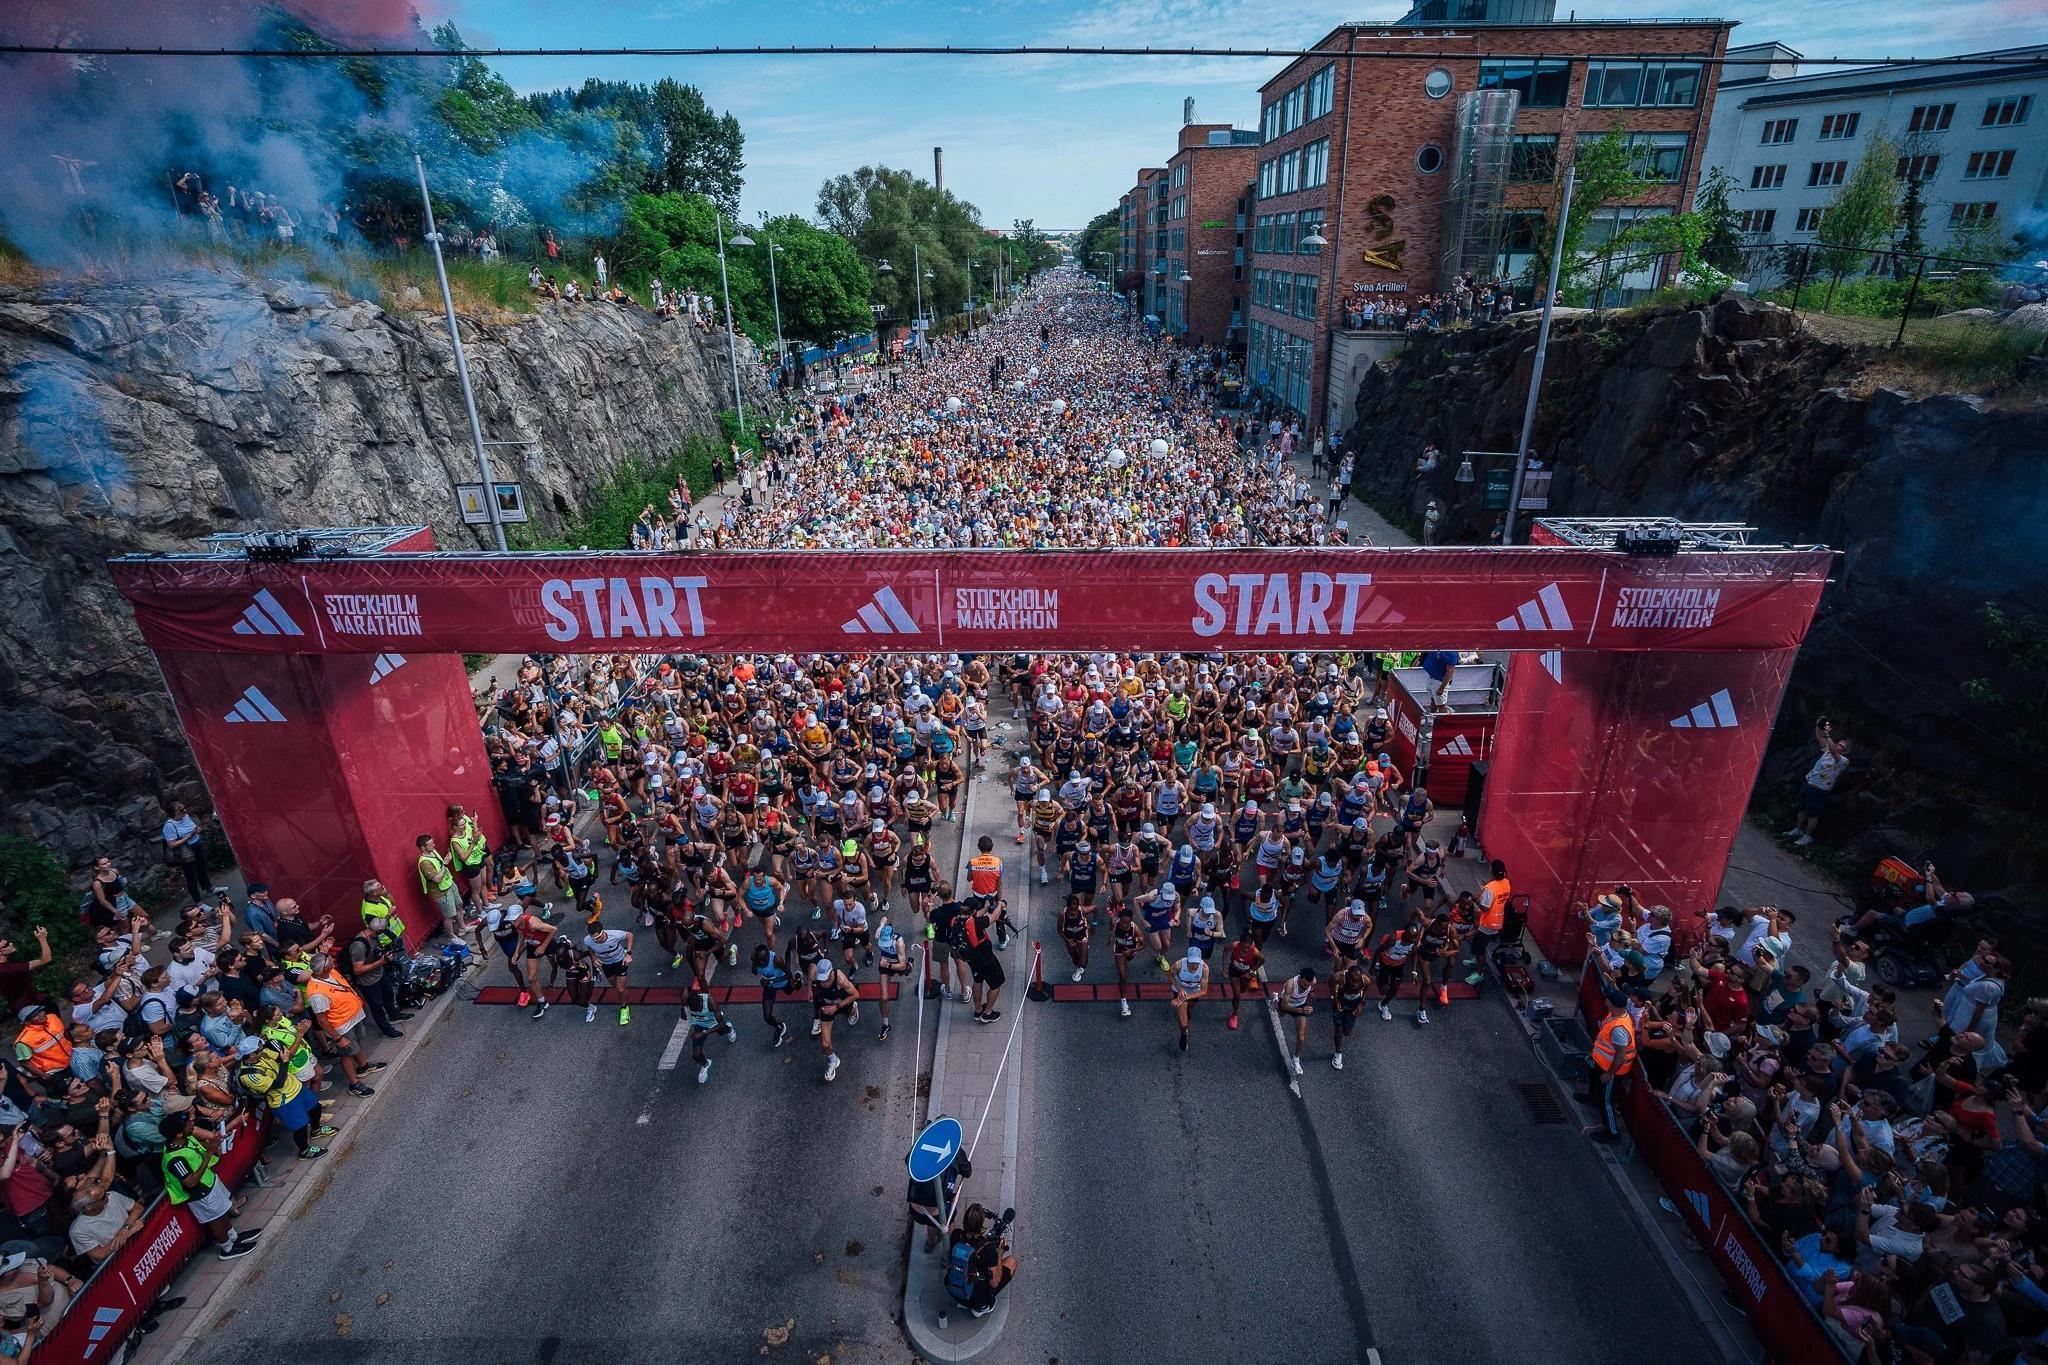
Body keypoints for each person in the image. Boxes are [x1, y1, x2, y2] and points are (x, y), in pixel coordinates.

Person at [158, 1110, 263, 1258]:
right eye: (188, 1123)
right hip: (200, 1193)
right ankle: (227, 1248)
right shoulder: (175, 1159)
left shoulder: (187, 1139)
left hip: (209, 1182)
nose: (192, 1123)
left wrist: (213, 1144)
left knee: (223, 1211)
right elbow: (191, 1182)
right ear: (179, 1134)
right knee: (216, 1219)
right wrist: (209, 1154)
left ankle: (233, 1237)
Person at [1784, 718, 1849, 847]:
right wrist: (1819, 726)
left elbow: (1832, 749)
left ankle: (1808, 836)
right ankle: (1797, 829)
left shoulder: (1843, 760)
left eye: (1842, 745)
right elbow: (1820, 738)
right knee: (1802, 808)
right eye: (1839, 743)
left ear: (1845, 750)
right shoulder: (1827, 752)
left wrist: (1828, 734)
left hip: (1820, 790)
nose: (1838, 745)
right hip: (1809, 783)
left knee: (1813, 814)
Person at [1585, 991, 1637, 1143]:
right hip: (1600, 1064)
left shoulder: (1619, 1029)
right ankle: (1591, 1099)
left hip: (1611, 1071)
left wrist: (1609, 1074)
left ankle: (1612, 1134)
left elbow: (1620, 1055)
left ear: (1610, 1003)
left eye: (1607, 998)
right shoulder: (1617, 1015)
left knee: (1606, 1101)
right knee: (1596, 1087)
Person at [812, 958, 859, 1082]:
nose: (823, 981)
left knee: (850, 1014)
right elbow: (811, 978)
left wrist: (837, 1006)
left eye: (825, 978)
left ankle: (853, 1009)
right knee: (825, 1044)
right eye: (820, 978)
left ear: (831, 972)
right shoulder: (814, 975)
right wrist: (809, 992)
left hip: (841, 1003)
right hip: (827, 1007)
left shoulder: (840, 979)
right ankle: (833, 1060)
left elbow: (855, 994)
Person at [682, 983, 738, 1084]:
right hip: (698, 1025)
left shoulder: (710, 1001)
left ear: (700, 1001)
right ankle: (706, 1064)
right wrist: (682, 1007)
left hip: (713, 1023)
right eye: (693, 1010)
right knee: (696, 1055)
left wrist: (704, 1033)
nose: (695, 1011)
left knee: (722, 1031)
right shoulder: (687, 1000)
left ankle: (729, 1028)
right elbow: (685, 988)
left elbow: (720, 1023)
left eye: (697, 1009)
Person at [582, 925, 634, 1025]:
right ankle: (623, 991)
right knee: (614, 985)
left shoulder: (614, 935)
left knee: (620, 989)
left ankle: (624, 1008)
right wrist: (593, 958)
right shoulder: (588, 940)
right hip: (606, 964)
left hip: (620, 961)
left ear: (603, 932)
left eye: (598, 937)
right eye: (593, 939)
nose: (596, 941)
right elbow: (590, 948)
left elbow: (630, 935)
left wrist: (628, 954)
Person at [161, 801, 210, 903]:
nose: (185, 811)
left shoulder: (186, 817)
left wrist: (197, 830)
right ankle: (198, 902)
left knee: (202, 868)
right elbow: (171, 844)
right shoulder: (169, 826)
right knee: (191, 875)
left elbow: (192, 827)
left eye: (185, 808)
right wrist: (188, 837)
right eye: (181, 810)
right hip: (186, 851)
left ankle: (208, 888)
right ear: (174, 813)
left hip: (196, 844)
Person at [1275, 967, 1315, 1076]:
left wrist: (1308, 1004)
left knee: (1301, 1036)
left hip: (1301, 1005)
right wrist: (1301, 1010)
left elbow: (1312, 992)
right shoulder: (1290, 985)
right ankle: (1275, 1002)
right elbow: (1284, 1006)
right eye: (1306, 984)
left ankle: (1296, 1059)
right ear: (1300, 979)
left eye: (1309, 985)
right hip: (1287, 1005)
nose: (1307, 986)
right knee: (1281, 1013)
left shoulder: (1312, 982)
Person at [1169, 946, 1208, 1054]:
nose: (1194, 965)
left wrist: (1187, 997)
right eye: (1192, 962)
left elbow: (1204, 991)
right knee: (1184, 1023)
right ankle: (1183, 1033)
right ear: (1187, 959)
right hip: (1180, 991)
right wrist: (1180, 989)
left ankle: (1186, 1009)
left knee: (1191, 1006)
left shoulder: (1204, 968)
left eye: (1196, 963)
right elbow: (1170, 975)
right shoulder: (1178, 965)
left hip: (1194, 993)